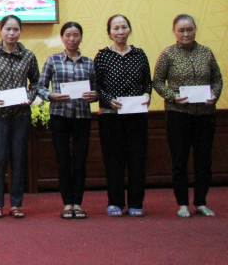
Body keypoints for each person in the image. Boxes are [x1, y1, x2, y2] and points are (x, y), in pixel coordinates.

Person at [153, 14, 222, 218]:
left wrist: (215, 95)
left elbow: (217, 79)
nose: (185, 34)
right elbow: (157, 81)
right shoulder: (168, 54)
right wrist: (172, 97)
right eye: (181, 30)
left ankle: (201, 202)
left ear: (195, 30)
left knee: (204, 161)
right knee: (179, 161)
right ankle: (182, 203)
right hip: (178, 115)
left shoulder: (206, 53)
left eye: (189, 29)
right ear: (174, 32)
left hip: (205, 115)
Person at [0, 14, 39, 219]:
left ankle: (16, 204)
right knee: (0, 159)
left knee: (18, 160)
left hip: (21, 115)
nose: (12, 33)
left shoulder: (28, 56)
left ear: (20, 32)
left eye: (15, 30)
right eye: (8, 29)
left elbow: (36, 82)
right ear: (1, 30)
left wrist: (29, 98)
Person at [38, 21, 98, 219]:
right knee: (63, 161)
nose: (72, 39)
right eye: (68, 35)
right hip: (59, 116)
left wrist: (94, 96)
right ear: (62, 38)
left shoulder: (89, 63)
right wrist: (51, 95)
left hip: (82, 117)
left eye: (76, 35)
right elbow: (40, 86)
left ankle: (78, 203)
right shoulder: (53, 60)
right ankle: (67, 204)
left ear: (81, 38)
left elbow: (97, 90)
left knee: (80, 162)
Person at [94, 15, 152, 218]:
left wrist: (147, 94)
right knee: (114, 160)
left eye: (124, 27)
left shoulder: (139, 54)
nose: (120, 31)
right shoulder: (102, 56)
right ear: (109, 32)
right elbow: (96, 85)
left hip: (136, 116)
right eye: (116, 28)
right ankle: (115, 203)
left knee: (137, 159)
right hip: (111, 116)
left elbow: (147, 82)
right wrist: (108, 100)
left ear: (129, 30)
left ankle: (136, 203)